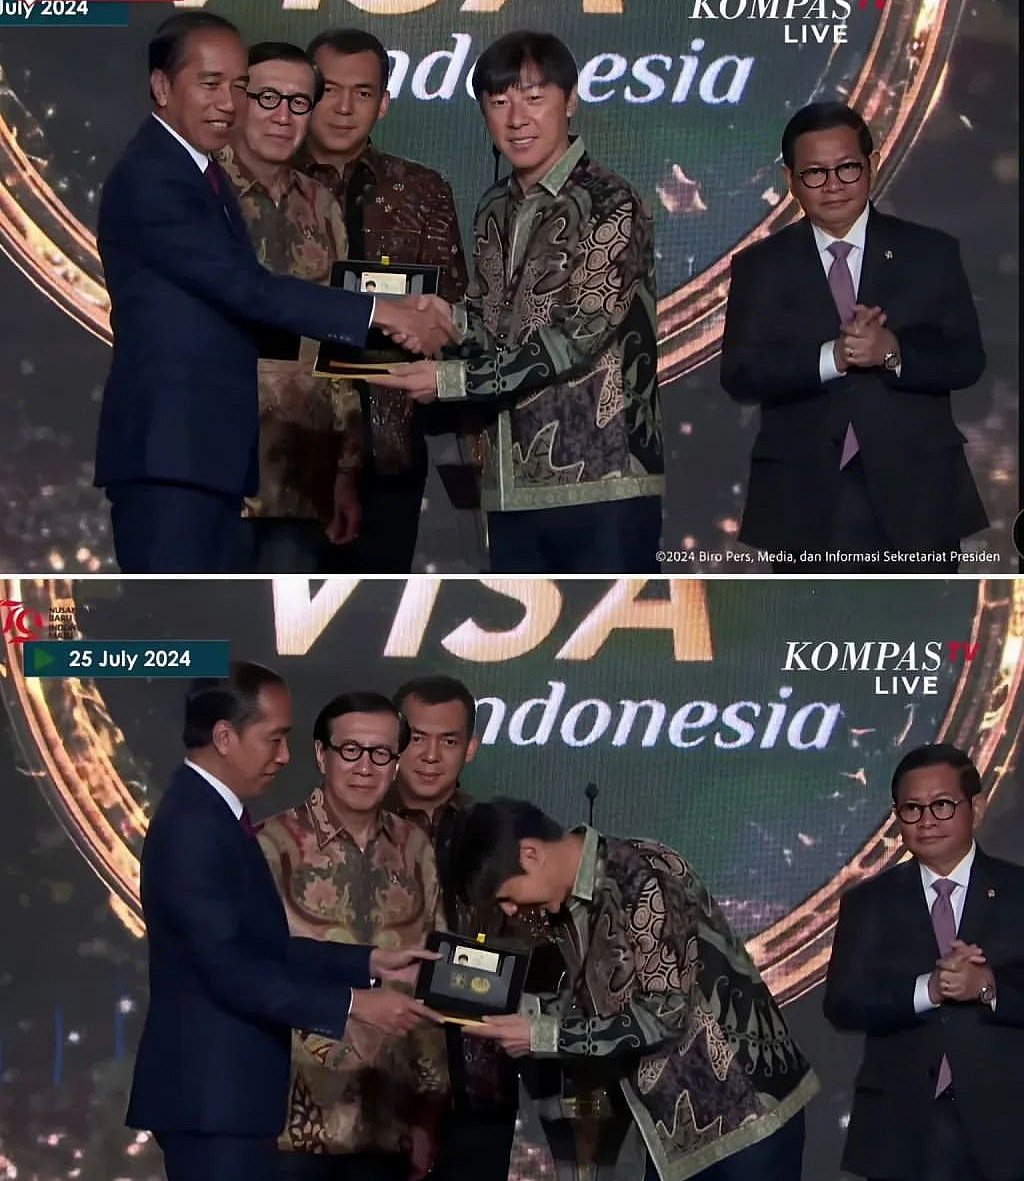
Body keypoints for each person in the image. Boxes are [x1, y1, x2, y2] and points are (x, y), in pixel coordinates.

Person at [94, 12, 456, 574]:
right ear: (162, 85)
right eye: (211, 84)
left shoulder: (195, 173)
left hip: (216, 458)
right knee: (179, 627)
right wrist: (383, 311)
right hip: (173, 452)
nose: (228, 101)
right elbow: (246, 289)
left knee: (215, 630)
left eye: (238, 86)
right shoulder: (156, 176)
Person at [126, 663, 442, 1181]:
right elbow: (229, 967)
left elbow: (263, 946)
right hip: (213, 1097)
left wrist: (367, 962)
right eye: (274, 739)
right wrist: (355, 1005)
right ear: (225, 737)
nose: (284, 757)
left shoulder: (213, 816)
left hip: (228, 1099)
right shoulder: (194, 827)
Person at [374, 31, 663, 574]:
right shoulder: (494, 206)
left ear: (570, 100)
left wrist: (447, 381)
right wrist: (448, 318)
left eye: (534, 98)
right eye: (499, 102)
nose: (516, 119)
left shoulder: (613, 202)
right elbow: (495, 323)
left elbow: (574, 336)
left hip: (603, 481)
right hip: (507, 482)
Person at [449, 799, 817, 1181]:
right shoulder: (572, 904)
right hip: (680, 1130)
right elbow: (590, 1005)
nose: (510, 911)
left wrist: (542, 1034)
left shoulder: (642, 874)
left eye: (507, 896)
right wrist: (499, 1006)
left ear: (531, 853)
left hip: (745, 1114)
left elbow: (666, 1013)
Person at [720, 102, 988, 574]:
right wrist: (833, 358)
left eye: (847, 167)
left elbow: (967, 360)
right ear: (790, 181)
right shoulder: (761, 266)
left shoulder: (930, 252)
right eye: (815, 174)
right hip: (804, 498)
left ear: (873, 164)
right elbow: (741, 374)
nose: (834, 185)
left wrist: (894, 353)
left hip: (917, 495)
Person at [257, 691, 449, 1181]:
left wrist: (429, 1111)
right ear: (322, 754)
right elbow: (252, 970)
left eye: (381, 753)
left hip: (390, 1122)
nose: (366, 766)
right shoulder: (271, 845)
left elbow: (435, 978)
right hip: (287, 1123)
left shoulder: (415, 849)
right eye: (351, 750)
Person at [301, 29, 470, 574]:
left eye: (364, 92)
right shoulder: (265, 183)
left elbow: (451, 310)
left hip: (390, 443)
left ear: (384, 104)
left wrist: (427, 329)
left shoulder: (422, 190)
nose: (345, 107)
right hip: (288, 447)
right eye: (329, 90)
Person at [824, 744, 1024, 1181]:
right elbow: (843, 1004)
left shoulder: (1019, 892)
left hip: (1008, 1126)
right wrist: (927, 991)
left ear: (976, 805)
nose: (926, 820)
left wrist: (987, 987)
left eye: (942, 805)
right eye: (911, 809)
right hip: (903, 1130)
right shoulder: (868, 903)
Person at [219, 41, 361, 573]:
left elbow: (343, 343)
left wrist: (347, 469)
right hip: (217, 475)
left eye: (299, 102)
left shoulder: (322, 205)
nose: (283, 115)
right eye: (268, 97)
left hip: (306, 482)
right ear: (238, 100)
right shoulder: (198, 193)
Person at [385, 675, 518, 1181]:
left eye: (449, 741)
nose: (430, 756)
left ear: (471, 749)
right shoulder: (352, 826)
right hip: (376, 1078)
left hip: (476, 1077)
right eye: (416, 738)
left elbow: (530, 953)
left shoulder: (502, 838)